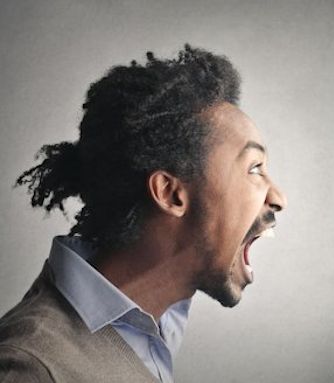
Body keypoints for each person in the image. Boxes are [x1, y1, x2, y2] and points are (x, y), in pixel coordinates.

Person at [0, 45, 287, 382]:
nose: (278, 198)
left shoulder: (155, 325)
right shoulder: (33, 369)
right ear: (170, 193)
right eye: (254, 168)